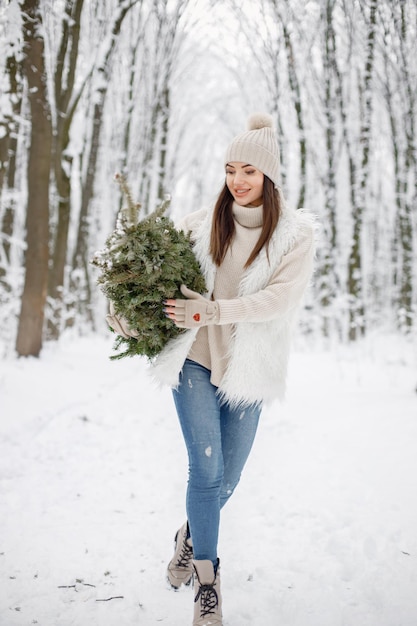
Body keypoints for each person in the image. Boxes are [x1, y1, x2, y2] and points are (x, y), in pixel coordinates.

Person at [107, 113, 315, 626]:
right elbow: (157, 278)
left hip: (249, 365)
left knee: (230, 474)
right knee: (206, 469)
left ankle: (191, 536)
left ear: (269, 176)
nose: (237, 181)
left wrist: (215, 310)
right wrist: (125, 311)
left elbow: (279, 298)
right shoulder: (201, 223)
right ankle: (208, 580)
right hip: (195, 356)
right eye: (229, 169)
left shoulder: (295, 235)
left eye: (249, 170)